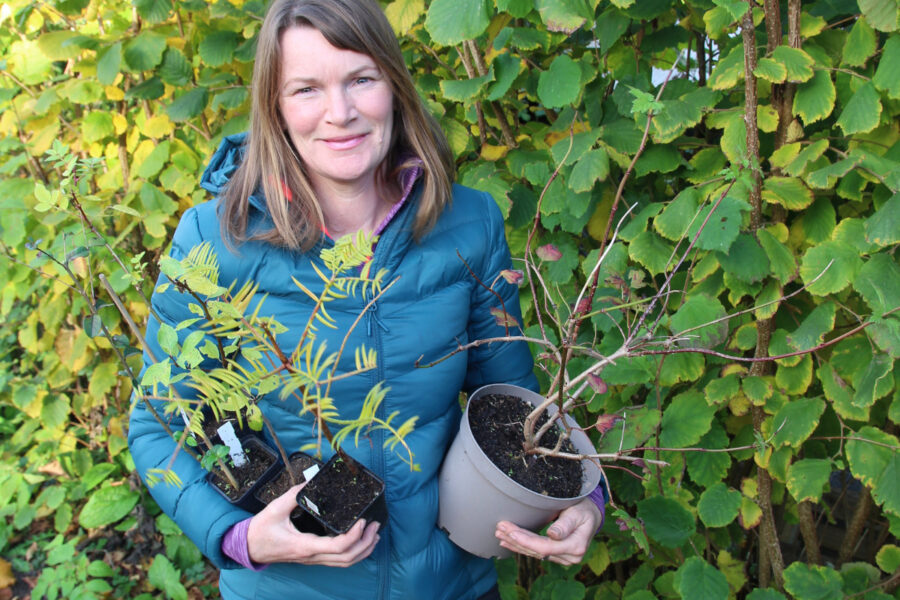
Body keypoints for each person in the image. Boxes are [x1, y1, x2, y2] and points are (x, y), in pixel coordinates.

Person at [127, 0, 606, 598]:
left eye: (360, 79)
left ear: (394, 84)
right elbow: (158, 423)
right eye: (305, 89)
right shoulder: (214, 242)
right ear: (273, 107)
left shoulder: (470, 223)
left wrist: (584, 497)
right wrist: (239, 538)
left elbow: (519, 411)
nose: (340, 113)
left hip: (448, 585)